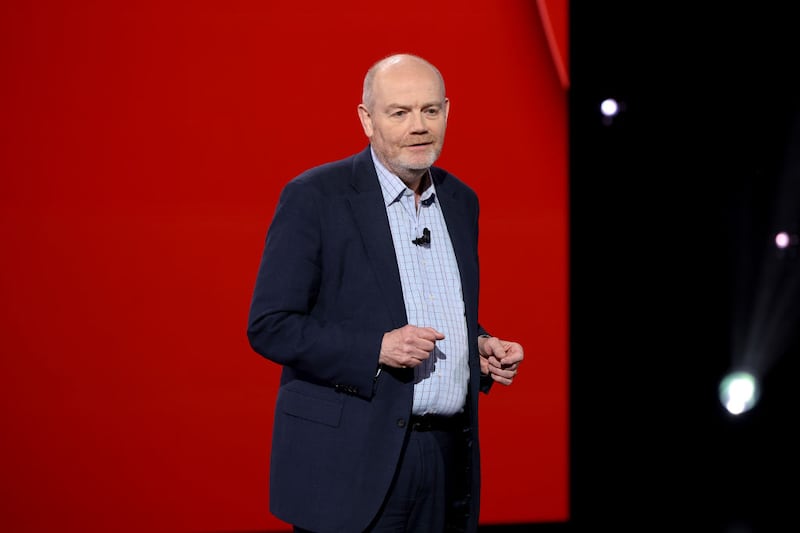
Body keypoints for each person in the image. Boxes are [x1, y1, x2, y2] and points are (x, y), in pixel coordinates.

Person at [247, 52, 524, 533]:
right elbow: (271, 325)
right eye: (400, 112)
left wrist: (474, 346)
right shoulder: (315, 196)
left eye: (430, 110)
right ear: (366, 119)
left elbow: (438, 304)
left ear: (447, 112)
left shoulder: (461, 200)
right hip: (349, 461)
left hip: (443, 457)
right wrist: (376, 348)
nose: (419, 126)